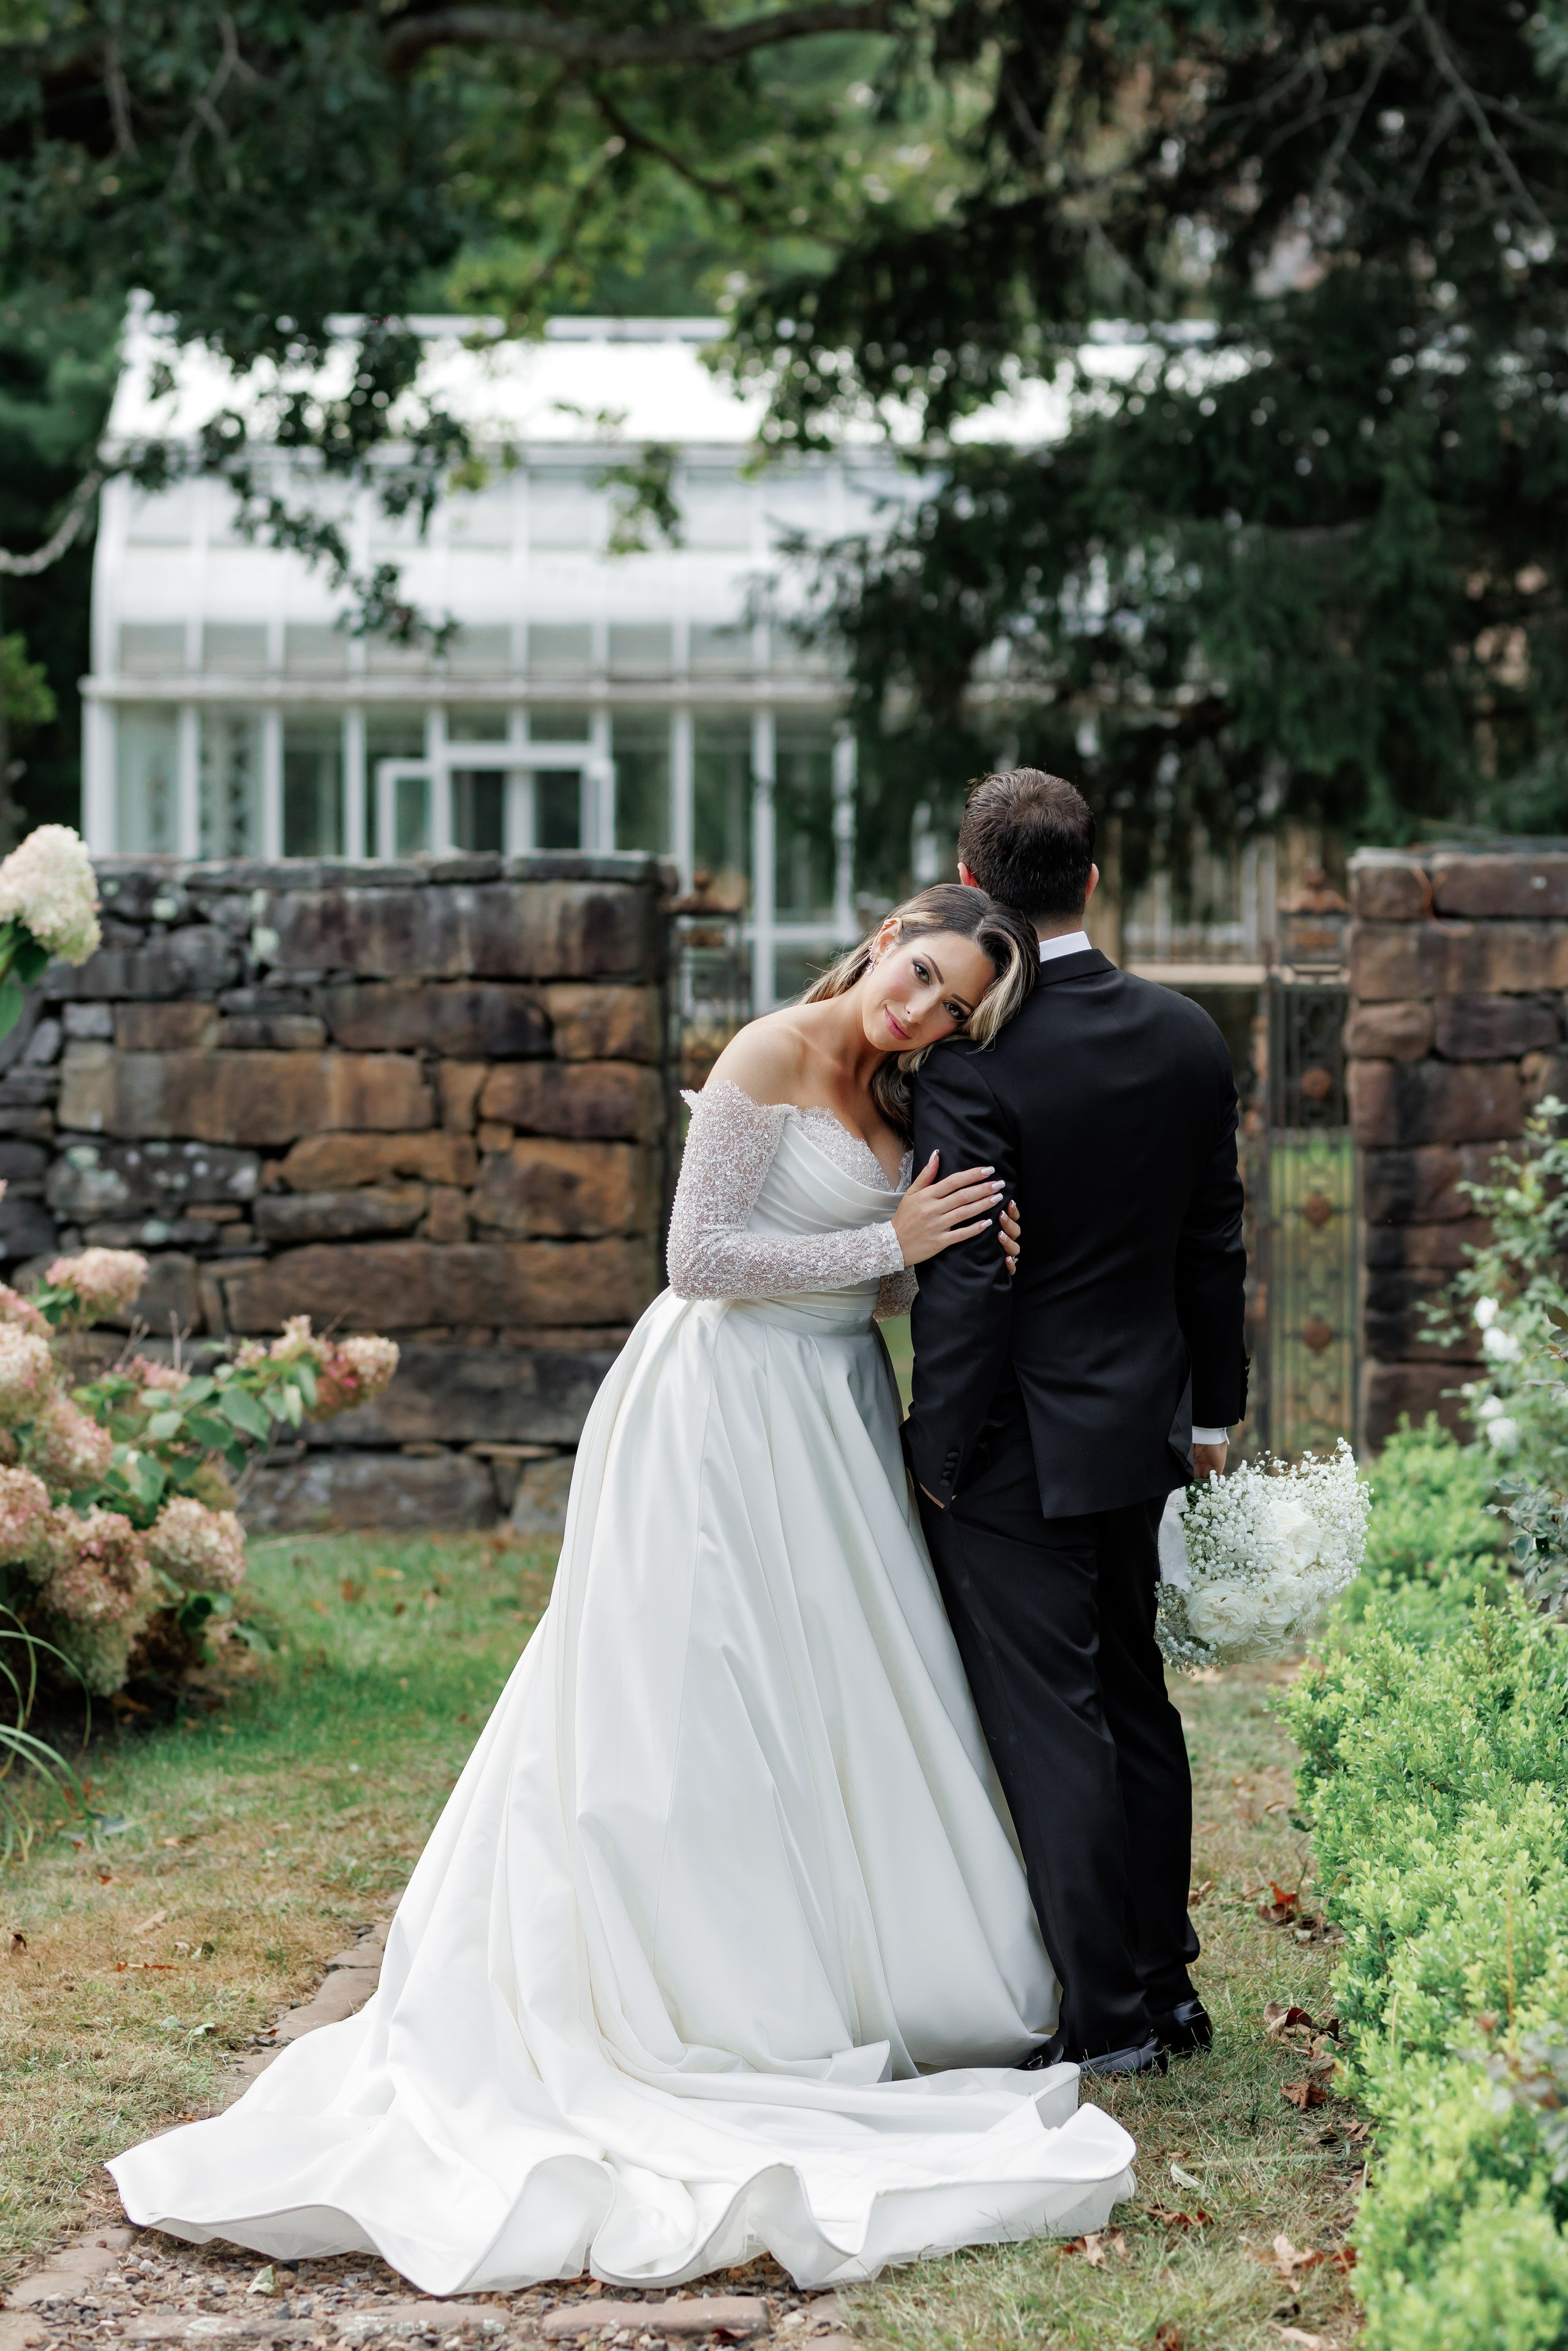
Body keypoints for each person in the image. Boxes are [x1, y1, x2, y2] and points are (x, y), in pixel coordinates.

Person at [110, 881, 1136, 2296]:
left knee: (820, 1683)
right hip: (713, 1409)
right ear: (889, 931)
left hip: (829, 1413)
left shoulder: (902, 1101)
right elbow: (699, 1260)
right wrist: (885, 1246)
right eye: (922, 975)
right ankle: (694, 1985)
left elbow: (858, 1288)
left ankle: (853, 1971)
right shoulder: (764, 1053)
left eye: (953, 1006)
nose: (922, 1011)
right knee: (690, 1685)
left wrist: (942, 1254)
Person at [906, 771, 1248, 2079]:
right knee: (1133, 1702)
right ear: (1093, 880)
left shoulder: (971, 1055)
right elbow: (1210, 1244)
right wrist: (1209, 1408)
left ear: (970, 883)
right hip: (1138, 1427)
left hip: (1007, 1442)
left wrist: (935, 1452)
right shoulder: (1186, 1035)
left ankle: (1105, 2020)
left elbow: (965, 1284)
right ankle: (1165, 1986)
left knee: (1055, 1723)